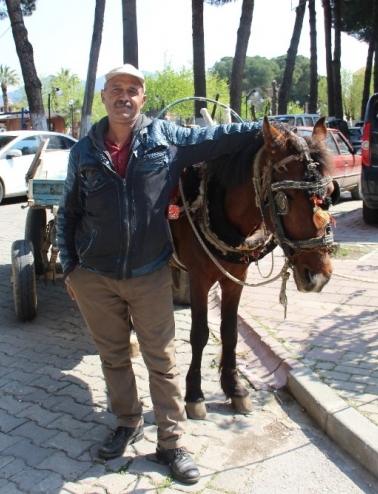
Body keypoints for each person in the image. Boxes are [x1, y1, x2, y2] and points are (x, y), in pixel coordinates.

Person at [56, 64, 261, 485]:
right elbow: (69, 212)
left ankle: (171, 442)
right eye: (116, 89)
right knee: (113, 358)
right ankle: (126, 422)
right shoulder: (84, 152)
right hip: (94, 275)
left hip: (149, 273)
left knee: (162, 362)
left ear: (143, 99)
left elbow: (218, 137)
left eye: (133, 90)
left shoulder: (166, 138)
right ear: (104, 97)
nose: (124, 96)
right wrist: (69, 267)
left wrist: (266, 129)